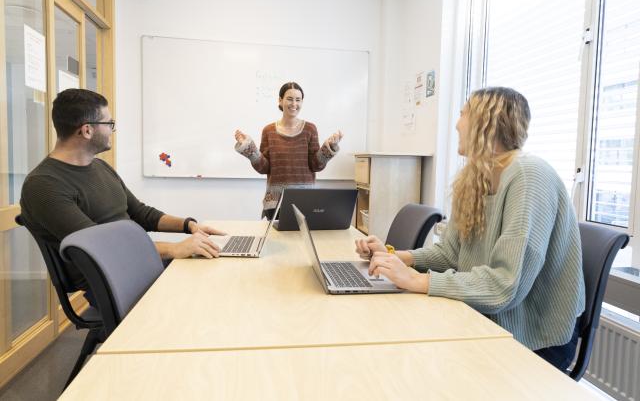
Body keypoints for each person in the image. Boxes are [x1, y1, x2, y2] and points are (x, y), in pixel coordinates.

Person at [355, 87, 585, 371]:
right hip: (487, 317)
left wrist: (417, 281)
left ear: (487, 122)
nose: (456, 123)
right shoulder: (474, 178)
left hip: (534, 336)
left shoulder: (529, 176)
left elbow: (504, 285)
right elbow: (452, 255)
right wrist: (397, 258)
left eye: (463, 113)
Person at [20, 88, 225, 292]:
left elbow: (141, 214)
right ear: (87, 130)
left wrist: (189, 226)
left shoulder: (100, 167)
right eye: (109, 124)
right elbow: (102, 246)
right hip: (112, 280)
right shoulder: (43, 185)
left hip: (136, 264)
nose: (112, 130)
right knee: (205, 289)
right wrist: (174, 248)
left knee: (214, 274)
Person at [234, 81, 343, 219]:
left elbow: (316, 165)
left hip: (306, 201)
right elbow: (264, 168)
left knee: (304, 240)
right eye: (289, 99)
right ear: (280, 100)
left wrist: (330, 147)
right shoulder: (269, 131)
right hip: (275, 202)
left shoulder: (310, 129)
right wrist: (249, 148)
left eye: (298, 100)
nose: (294, 104)